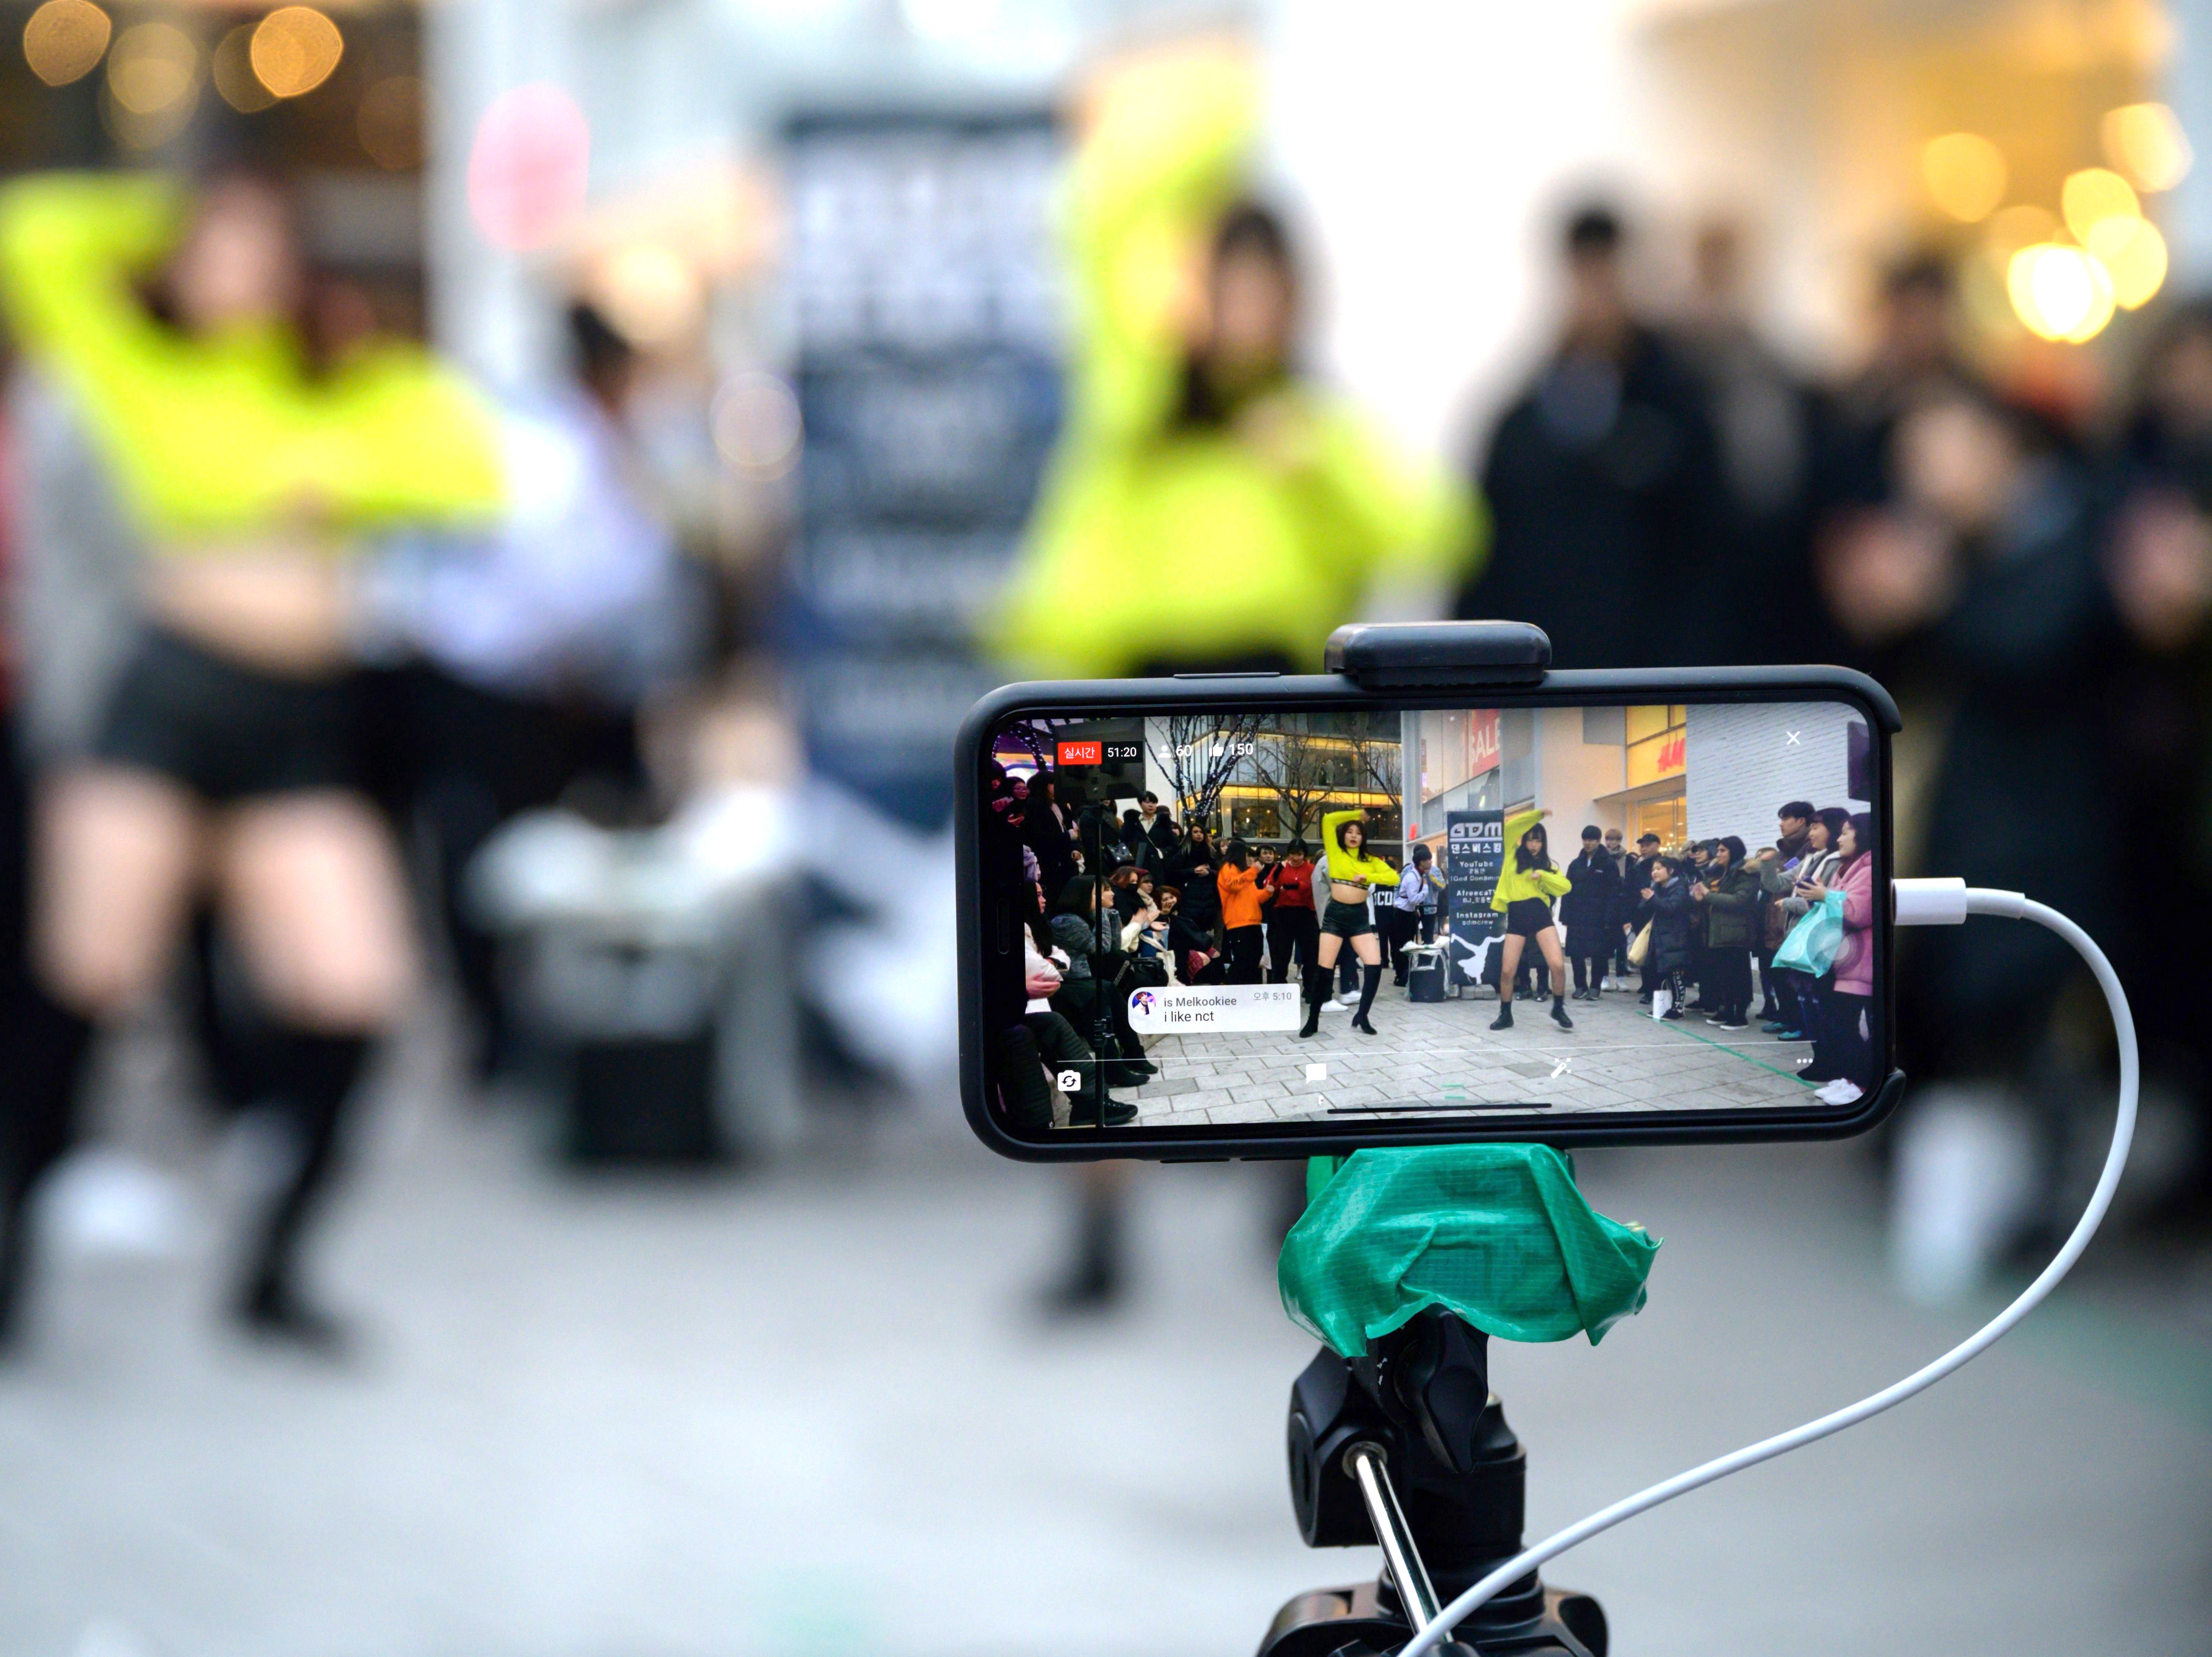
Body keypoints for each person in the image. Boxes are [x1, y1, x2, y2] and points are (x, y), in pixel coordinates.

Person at [0, 169, 502, 1352]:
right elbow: (31, 234)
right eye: (212, 248)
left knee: (358, 991)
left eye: (258, 245)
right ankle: (18, 1257)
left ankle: (272, 1264)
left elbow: (471, 472)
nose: (235, 268)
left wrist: (327, 479)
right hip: (166, 706)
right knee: (84, 983)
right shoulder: (139, 369)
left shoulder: (346, 380)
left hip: (299, 723)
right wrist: (164, 204)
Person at [991, 40, 1479, 682]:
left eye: (1264, 293)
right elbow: (1102, 217)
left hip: (1280, 692)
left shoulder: (1308, 421)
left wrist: (1315, 465)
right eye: (1230, 291)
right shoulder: (1137, 405)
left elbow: (1439, 529)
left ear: (1293, 299)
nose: (1248, 317)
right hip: (1140, 686)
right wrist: (1197, 94)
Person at [1456, 204, 1728, 667]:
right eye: (1585, 274)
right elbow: (1486, 555)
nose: (1596, 295)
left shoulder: (1679, 410)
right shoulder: (1522, 422)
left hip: (1655, 675)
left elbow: (1710, 549)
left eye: (1607, 273)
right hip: (1548, 677)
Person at [1796, 814, 1875, 1105]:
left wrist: (1825, 894)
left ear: (1863, 834)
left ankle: (1864, 1085)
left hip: (1859, 962)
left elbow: (1858, 911)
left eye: (1846, 832)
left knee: (1845, 1026)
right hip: (1841, 960)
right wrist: (1815, 894)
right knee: (1837, 1025)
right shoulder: (1848, 866)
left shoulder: (1869, 868)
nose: (1840, 839)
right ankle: (1850, 1079)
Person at [1302, 808, 1397, 1036]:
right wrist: (1357, 814)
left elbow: (1395, 877)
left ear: (1364, 838)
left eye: (1359, 833)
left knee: (1374, 966)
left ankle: (1362, 1015)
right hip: (1335, 915)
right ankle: (1313, 1020)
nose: (1354, 836)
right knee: (1324, 970)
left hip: (1359, 917)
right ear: (1343, 835)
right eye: (1350, 832)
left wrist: (1368, 877)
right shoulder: (1335, 853)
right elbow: (1327, 819)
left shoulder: (1372, 861)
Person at [1486, 808, 1574, 1031]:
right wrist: (1538, 815)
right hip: (1517, 916)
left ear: (1544, 843)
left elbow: (1566, 886)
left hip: (1540, 916)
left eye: (1539, 841)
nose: (1534, 845)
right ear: (1523, 840)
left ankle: (1559, 1007)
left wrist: (1543, 875)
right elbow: (1510, 828)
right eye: (1531, 840)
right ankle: (1505, 1014)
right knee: (1507, 971)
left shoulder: (1548, 865)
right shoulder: (1512, 856)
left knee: (1557, 965)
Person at [1766, 805, 1845, 1042]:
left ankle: (1815, 1038)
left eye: (1816, 827)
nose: (1811, 833)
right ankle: (1808, 1034)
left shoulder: (1835, 862)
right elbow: (1779, 883)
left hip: (1819, 935)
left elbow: (1820, 902)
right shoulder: (1811, 858)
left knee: (1817, 994)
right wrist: (1767, 865)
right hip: (1799, 931)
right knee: (1803, 992)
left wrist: (1788, 904)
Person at [1749, 800, 1815, 1021]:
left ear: (1801, 821)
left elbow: (1792, 886)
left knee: (1796, 980)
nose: (1781, 824)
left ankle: (1797, 1022)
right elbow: (1773, 884)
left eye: (1786, 819)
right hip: (1775, 920)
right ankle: (1786, 1017)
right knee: (1779, 975)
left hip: (1797, 920)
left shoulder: (1809, 851)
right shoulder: (1785, 850)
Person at [1688, 834, 1759, 1028]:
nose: (1718, 854)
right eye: (1718, 850)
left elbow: (1739, 901)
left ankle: (1740, 1014)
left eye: (1723, 851)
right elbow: (1708, 898)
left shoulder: (1746, 872)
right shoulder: (1718, 872)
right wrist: (1699, 897)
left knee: (1738, 975)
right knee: (1722, 975)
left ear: (1734, 851)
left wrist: (1709, 896)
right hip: (1716, 930)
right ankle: (1727, 1010)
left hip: (1736, 932)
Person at [1560, 825, 1618, 1000]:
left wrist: (1610, 917)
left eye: (1591, 840)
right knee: (1576, 953)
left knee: (1598, 954)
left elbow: (1614, 893)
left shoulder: (1608, 864)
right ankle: (1580, 986)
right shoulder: (1576, 864)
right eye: (1585, 839)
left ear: (1599, 841)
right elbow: (1567, 890)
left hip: (1599, 918)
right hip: (1577, 917)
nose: (1588, 843)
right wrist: (1565, 916)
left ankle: (1595, 987)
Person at [1636, 857, 1695, 1018]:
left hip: (1676, 938)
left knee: (1675, 974)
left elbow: (1671, 908)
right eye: (1653, 869)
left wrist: (1653, 899)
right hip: (1660, 937)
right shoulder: (1657, 887)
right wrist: (1650, 898)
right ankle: (1663, 1006)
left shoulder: (1680, 888)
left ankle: (1678, 1009)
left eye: (1659, 869)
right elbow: (1642, 908)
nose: (1655, 872)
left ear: (1671, 871)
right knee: (1660, 974)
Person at [1262, 836, 1317, 982]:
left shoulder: (1311, 869)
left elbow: (1314, 887)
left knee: (1310, 952)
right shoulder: (1281, 867)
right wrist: (1279, 869)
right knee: (1282, 952)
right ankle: (1280, 984)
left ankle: (1310, 986)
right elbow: (1269, 883)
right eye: (1293, 854)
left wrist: (1297, 887)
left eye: (1299, 854)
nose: (1296, 858)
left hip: (1305, 913)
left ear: (1305, 854)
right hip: (1284, 913)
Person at [1385, 842, 1440, 985]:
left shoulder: (1432, 871)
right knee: (1404, 943)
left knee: (1425, 940)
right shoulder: (1410, 873)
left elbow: (1442, 886)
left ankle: (1422, 970)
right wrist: (1397, 900)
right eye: (1428, 859)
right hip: (1408, 910)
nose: (1430, 861)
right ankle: (1402, 974)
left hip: (1426, 909)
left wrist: (1429, 877)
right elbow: (1404, 891)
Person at [1216, 840, 1267, 983]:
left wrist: (1268, 893)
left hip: (1253, 921)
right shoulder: (1228, 868)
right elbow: (1233, 885)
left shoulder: (1245, 874)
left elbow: (1255, 897)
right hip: (1239, 923)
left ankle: (1247, 992)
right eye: (1246, 855)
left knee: (1254, 959)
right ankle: (1230, 988)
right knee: (1243, 960)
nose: (1249, 858)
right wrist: (1254, 871)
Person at [1624, 830, 1662, 998]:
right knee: (1642, 950)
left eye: (1648, 846)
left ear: (1656, 846)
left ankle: (1653, 988)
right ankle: (1646, 984)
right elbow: (1631, 889)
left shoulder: (1660, 865)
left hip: (1652, 912)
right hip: (1639, 913)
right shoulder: (1639, 865)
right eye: (1642, 846)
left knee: (1652, 951)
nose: (1644, 849)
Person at [1599, 825, 1632, 986]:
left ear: (1619, 841)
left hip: (1622, 906)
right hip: (1605, 905)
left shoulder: (1628, 859)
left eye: (1612, 840)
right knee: (1604, 942)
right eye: (1607, 839)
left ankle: (1620, 977)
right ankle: (1605, 976)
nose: (1609, 843)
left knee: (1621, 943)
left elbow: (1631, 883)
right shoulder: (1602, 858)